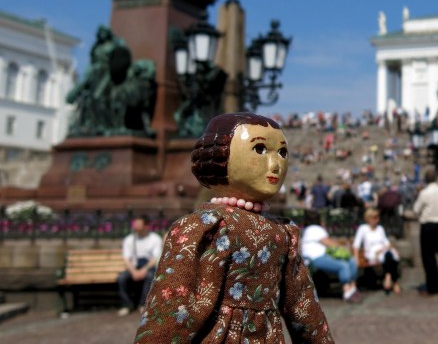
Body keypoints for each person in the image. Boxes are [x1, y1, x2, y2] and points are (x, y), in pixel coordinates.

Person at [134, 112, 333, 343]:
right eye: (259, 150)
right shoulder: (206, 227)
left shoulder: (283, 233)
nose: (275, 164)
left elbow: (303, 306)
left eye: (282, 152)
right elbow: (172, 308)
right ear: (221, 154)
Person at [301, 210, 362, 303]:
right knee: (343, 265)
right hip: (316, 258)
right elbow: (330, 243)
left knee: (350, 261)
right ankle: (347, 291)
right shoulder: (316, 229)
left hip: (312, 258)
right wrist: (343, 246)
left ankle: (352, 287)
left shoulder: (307, 230)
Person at [412, 167, 438, 296]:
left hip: (428, 225)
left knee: (427, 256)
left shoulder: (425, 193)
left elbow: (416, 210)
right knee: (432, 255)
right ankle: (436, 283)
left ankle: (433, 286)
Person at [117, 214, 163, 316]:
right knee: (122, 278)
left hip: (148, 267)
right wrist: (133, 271)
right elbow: (126, 258)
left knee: (150, 276)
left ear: (146, 226)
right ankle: (126, 305)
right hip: (134, 267)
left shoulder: (155, 239)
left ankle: (143, 304)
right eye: (135, 223)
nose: (135, 226)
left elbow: (155, 258)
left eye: (138, 224)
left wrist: (144, 270)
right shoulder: (129, 239)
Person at [352, 209, 401, 295]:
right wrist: (356, 258)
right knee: (389, 256)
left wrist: (391, 249)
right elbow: (356, 245)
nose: (377, 219)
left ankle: (388, 277)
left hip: (383, 250)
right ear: (368, 218)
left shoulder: (380, 228)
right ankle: (395, 282)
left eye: (378, 217)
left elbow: (386, 242)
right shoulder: (363, 229)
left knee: (391, 255)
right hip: (372, 253)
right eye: (374, 217)